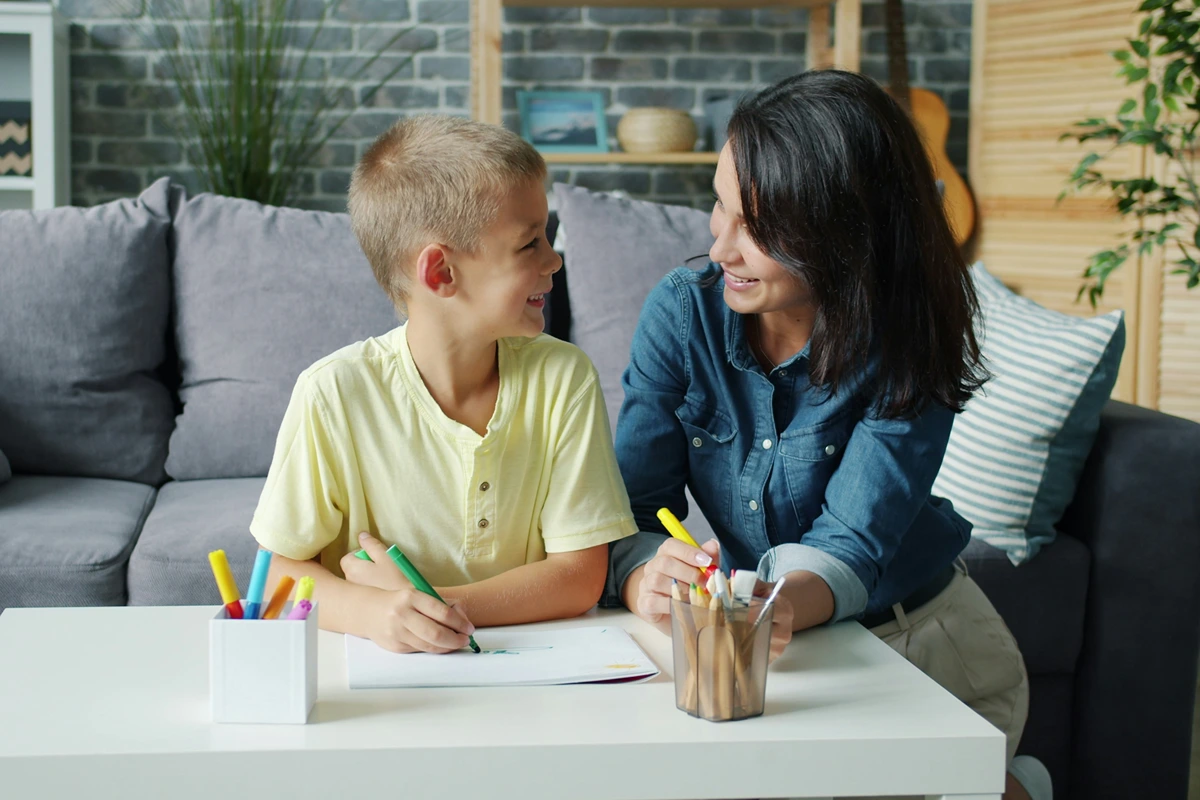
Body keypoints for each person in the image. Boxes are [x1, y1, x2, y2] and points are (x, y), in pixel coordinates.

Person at [606, 71, 1051, 800]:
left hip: (920, 644)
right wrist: (642, 573)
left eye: (759, 227)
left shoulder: (906, 339)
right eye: (720, 207)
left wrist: (769, 606)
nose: (721, 249)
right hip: (775, 647)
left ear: (847, 234)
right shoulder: (684, 314)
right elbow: (632, 508)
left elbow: (851, 542)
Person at [249, 115, 636, 655]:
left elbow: (580, 576)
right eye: (530, 244)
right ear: (441, 273)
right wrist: (372, 612)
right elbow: (275, 574)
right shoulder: (332, 393)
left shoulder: (563, 378)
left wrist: (429, 607)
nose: (554, 260)